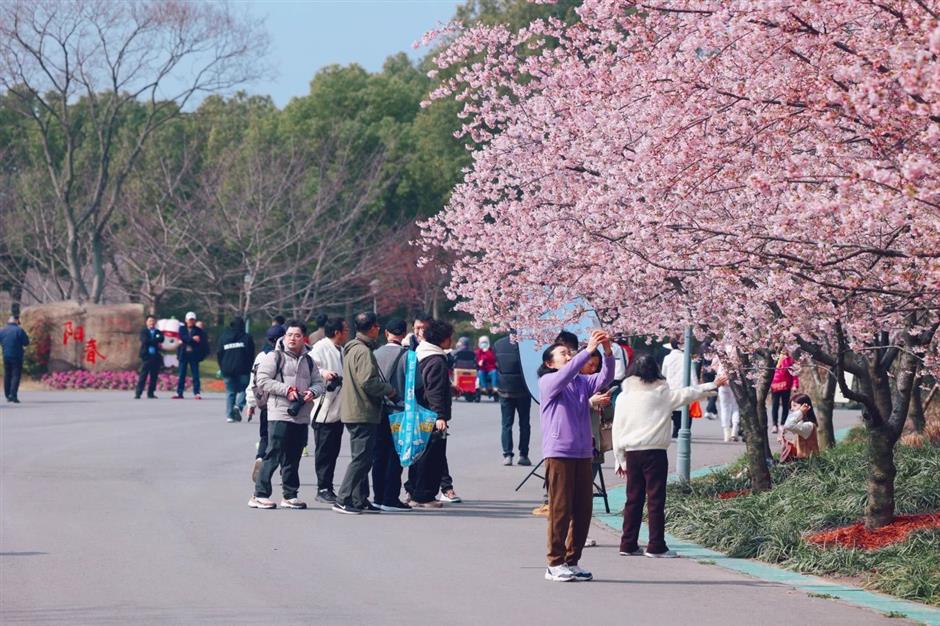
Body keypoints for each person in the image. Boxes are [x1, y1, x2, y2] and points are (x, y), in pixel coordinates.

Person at [613, 354, 725, 558]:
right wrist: (713, 384)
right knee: (655, 500)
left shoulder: (623, 397)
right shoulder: (661, 394)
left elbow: (617, 429)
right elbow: (688, 393)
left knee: (633, 499)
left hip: (632, 453)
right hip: (654, 452)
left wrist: (619, 459)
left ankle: (627, 544)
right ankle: (656, 546)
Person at [539, 330, 613, 582]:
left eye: (570, 352)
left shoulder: (581, 382)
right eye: (563, 353)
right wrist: (588, 350)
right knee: (560, 509)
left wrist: (607, 351)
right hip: (559, 453)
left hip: (583, 452)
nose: (569, 356)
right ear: (550, 363)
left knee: (583, 509)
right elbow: (566, 374)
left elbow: (605, 377)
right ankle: (554, 563)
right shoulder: (548, 381)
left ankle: (572, 560)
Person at [249, 320, 325, 510]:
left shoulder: (308, 360)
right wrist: (286, 390)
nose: (292, 339)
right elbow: (262, 380)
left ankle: (290, 495)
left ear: (303, 338)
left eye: (297, 335)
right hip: (279, 412)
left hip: (301, 414)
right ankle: (259, 494)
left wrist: (312, 392)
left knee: (294, 455)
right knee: (273, 453)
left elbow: (319, 383)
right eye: (289, 335)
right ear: (284, 336)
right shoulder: (275, 356)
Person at [333, 312, 397, 515]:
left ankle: (358, 498)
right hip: (362, 410)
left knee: (362, 457)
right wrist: (389, 390)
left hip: (354, 409)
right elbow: (368, 381)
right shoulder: (362, 351)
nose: (378, 329)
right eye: (377, 326)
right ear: (372, 328)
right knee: (361, 459)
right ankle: (343, 498)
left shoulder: (352, 348)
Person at [409, 319, 456, 509]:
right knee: (431, 458)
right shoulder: (436, 360)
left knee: (419, 455)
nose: (451, 341)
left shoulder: (421, 354)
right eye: (449, 337)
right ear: (441, 339)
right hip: (430, 415)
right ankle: (425, 496)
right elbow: (434, 390)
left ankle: (415, 492)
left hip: (420, 412)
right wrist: (440, 416)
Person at [372, 318, 411, 512]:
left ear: (386, 333)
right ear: (404, 334)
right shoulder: (409, 356)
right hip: (399, 411)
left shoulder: (374, 354)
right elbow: (418, 384)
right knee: (396, 455)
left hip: (378, 411)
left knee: (379, 455)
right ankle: (390, 498)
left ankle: (377, 497)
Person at [309, 317, 349, 504]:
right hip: (323, 410)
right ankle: (323, 488)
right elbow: (310, 366)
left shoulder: (340, 349)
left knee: (333, 452)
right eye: (345, 329)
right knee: (324, 453)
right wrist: (324, 373)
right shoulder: (320, 347)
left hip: (338, 410)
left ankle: (328, 487)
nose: (347, 332)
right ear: (337, 332)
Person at [247, 325, 285, 482]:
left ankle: (260, 457)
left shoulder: (261, 356)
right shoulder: (284, 356)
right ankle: (285, 469)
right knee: (284, 438)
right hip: (281, 403)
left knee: (265, 436)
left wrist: (251, 403)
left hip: (264, 402)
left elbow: (253, 382)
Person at [494, 335, 531, 466]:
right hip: (523, 389)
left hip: (505, 389)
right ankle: (523, 455)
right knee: (524, 424)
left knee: (506, 424)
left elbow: (496, 364)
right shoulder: (527, 344)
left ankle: (507, 454)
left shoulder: (498, 344)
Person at [217, 317, 255, 422]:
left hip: (227, 369)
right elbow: (250, 353)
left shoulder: (223, 337)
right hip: (243, 368)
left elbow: (219, 353)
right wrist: (250, 366)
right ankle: (238, 406)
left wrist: (222, 367)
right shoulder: (246, 337)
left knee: (230, 392)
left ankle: (229, 416)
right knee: (245, 389)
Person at [660, 337, 698, 438]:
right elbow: (692, 374)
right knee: (686, 411)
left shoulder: (667, 358)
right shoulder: (686, 357)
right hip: (685, 387)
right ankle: (685, 431)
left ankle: (676, 430)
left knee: (675, 411)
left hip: (672, 388)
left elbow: (664, 373)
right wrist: (697, 388)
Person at [173, 312, 206, 399]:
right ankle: (179, 393)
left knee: (195, 374)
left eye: (192, 320)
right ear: (186, 320)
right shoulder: (182, 328)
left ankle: (197, 393)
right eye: (189, 319)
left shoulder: (198, 330)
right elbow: (184, 338)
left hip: (194, 354)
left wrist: (188, 340)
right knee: (181, 374)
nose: (191, 321)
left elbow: (199, 341)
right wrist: (192, 339)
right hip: (183, 354)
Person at [779, 393, 819, 459]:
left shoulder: (809, 425)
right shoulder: (801, 423)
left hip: (808, 463)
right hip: (802, 462)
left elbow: (788, 425)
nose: (791, 409)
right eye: (791, 406)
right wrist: (784, 442)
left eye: (794, 405)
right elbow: (797, 446)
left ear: (805, 407)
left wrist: (800, 412)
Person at [0, 316, 29, 403]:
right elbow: (26, 342)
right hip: (17, 356)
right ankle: (13, 395)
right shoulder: (19, 330)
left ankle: (8, 395)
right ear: (16, 321)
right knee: (15, 375)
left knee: (7, 375)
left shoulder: (2, 330)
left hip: (6, 355)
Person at [134, 315, 164, 399]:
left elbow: (162, 339)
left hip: (155, 357)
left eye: (153, 321)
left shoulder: (158, 331)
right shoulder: (144, 331)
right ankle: (138, 393)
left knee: (154, 376)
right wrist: (155, 340)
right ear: (146, 322)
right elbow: (145, 340)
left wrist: (153, 340)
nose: (152, 323)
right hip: (146, 356)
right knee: (143, 375)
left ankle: (151, 393)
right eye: (150, 321)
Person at [770, 349, 800, 433]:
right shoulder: (774, 358)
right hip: (775, 385)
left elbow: (794, 374)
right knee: (775, 405)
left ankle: (782, 424)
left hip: (786, 385)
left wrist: (795, 385)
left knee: (785, 405)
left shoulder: (790, 360)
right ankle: (774, 424)